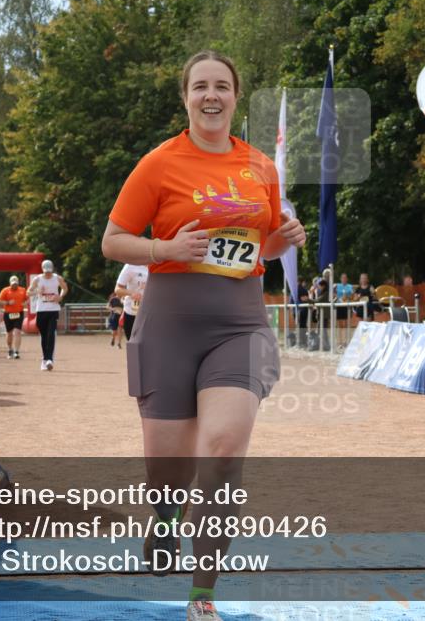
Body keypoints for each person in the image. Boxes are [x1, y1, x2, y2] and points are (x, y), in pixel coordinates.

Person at [101, 50, 305, 621]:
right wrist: (163, 250)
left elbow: (259, 248)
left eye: (221, 87)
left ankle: (202, 592)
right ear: (186, 98)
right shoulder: (159, 164)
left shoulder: (261, 167)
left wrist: (286, 236)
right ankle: (164, 522)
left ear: (236, 97)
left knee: (222, 451)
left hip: (239, 325)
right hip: (168, 325)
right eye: (200, 87)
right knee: (169, 472)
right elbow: (113, 241)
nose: (211, 96)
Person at [27, 259, 68, 371]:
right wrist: (37, 292)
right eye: (46, 272)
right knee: (44, 336)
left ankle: (49, 359)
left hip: (53, 310)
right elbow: (28, 292)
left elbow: (65, 288)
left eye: (49, 271)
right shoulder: (37, 279)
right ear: (43, 270)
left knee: (51, 334)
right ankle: (44, 359)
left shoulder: (57, 278)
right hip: (41, 310)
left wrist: (60, 297)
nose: (48, 274)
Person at [0, 275, 28, 359]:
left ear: (18, 283)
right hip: (8, 314)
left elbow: (27, 299)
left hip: (19, 313)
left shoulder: (23, 290)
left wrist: (26, 303)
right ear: (10, 283)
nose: (14, 285)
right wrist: (7, 303)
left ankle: (16, 351)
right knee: (9, 333)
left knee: (18, 332)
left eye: (16, 284)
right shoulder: (5, 290)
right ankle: (10, 349)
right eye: (13, 284)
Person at [115, 263, 148, 341]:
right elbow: (117, 289)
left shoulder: (160, 264)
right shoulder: (131, 266)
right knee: (134, 346)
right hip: (132, 313)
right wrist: (132, 293)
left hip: (152, 314)